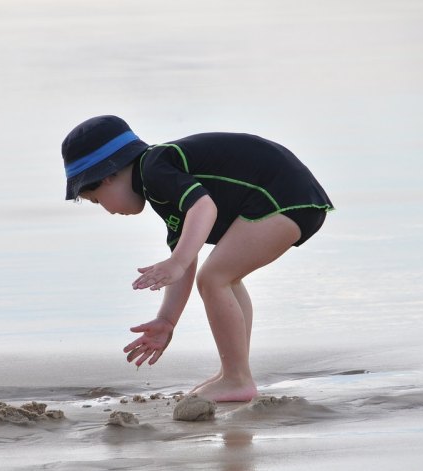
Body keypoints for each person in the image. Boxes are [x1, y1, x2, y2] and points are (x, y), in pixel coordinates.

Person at [62, 115, 334, 402]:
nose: (105, 209)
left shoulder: (155, 167)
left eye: (96, 199)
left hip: (282, 196)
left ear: (108, 175)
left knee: (214, 278)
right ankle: (235, 371)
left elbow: (203, 208)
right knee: (225, 278)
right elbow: (186, 259)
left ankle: (237, 379)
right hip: (292, 197)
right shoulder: (161, 189)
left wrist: (176, 262)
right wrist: (167, 320)